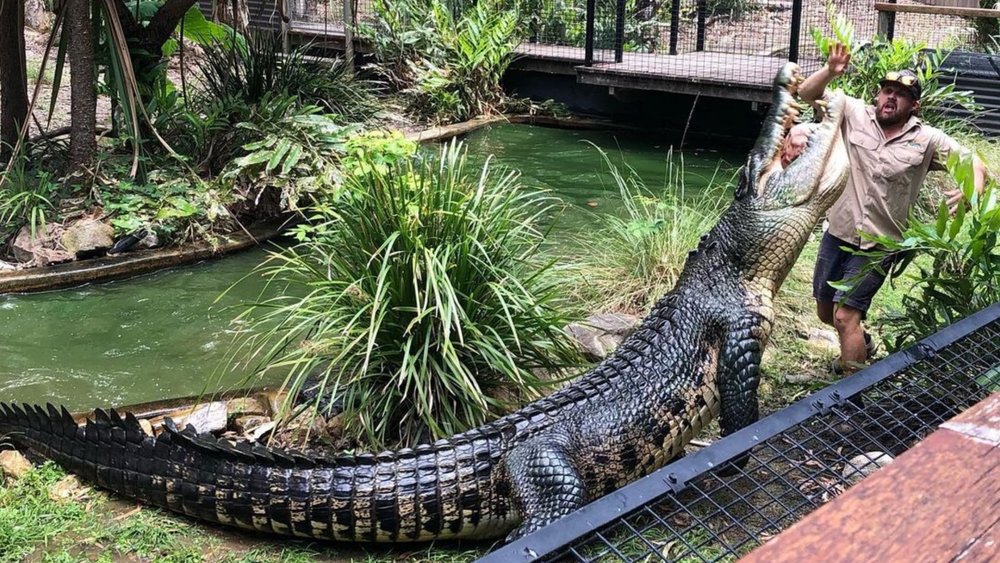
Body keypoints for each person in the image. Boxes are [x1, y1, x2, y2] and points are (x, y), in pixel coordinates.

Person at [796, 42, 988, 375]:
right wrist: (830, 71)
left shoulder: (927, 140)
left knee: (845, 316)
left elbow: (974, 163)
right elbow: (805, 93)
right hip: (838, 231)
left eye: (899, 94)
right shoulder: (852, 113)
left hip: (880, 244)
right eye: (886, 90)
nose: (890, 97)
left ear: (914, 104)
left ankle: (852, 404)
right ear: (877, 95)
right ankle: (863, 344)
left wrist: (972, 192)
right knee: (826, 313)